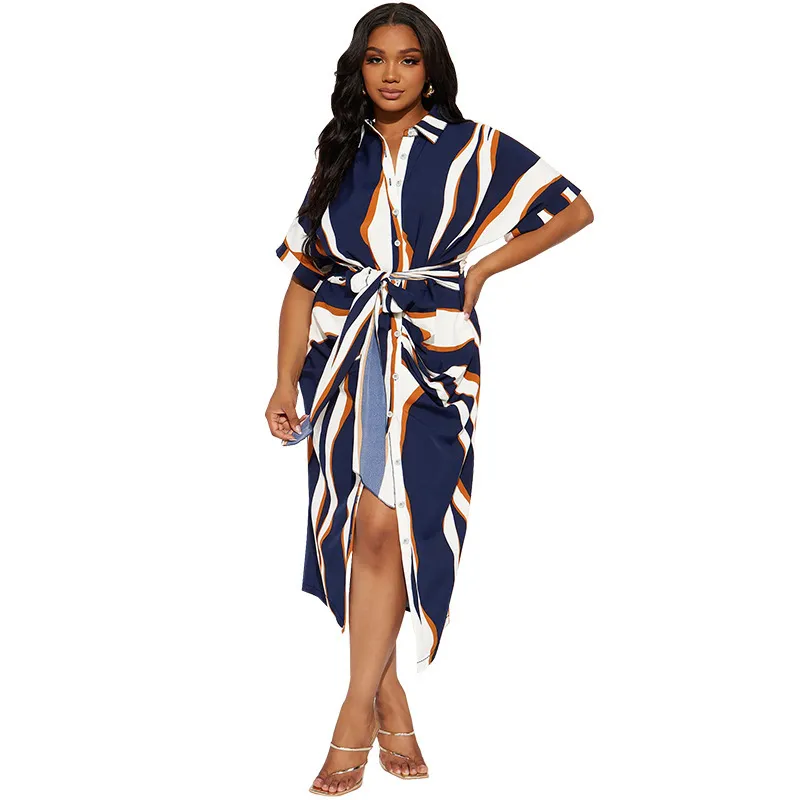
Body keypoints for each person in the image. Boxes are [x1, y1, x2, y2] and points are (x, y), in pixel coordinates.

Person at [265, 4, 594, 795]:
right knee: (359, 527)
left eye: (407, 59)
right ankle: (387, 696)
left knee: (397, 523)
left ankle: (353, 713)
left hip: (433, 357)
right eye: (376, 58)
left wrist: (482, 268)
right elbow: (304, 278)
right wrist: (281, 379)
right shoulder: (339, 151)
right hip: (343, 358)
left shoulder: (471, 146)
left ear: (430, 68)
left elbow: (573, 208)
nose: (390, 74)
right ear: (359, 68)